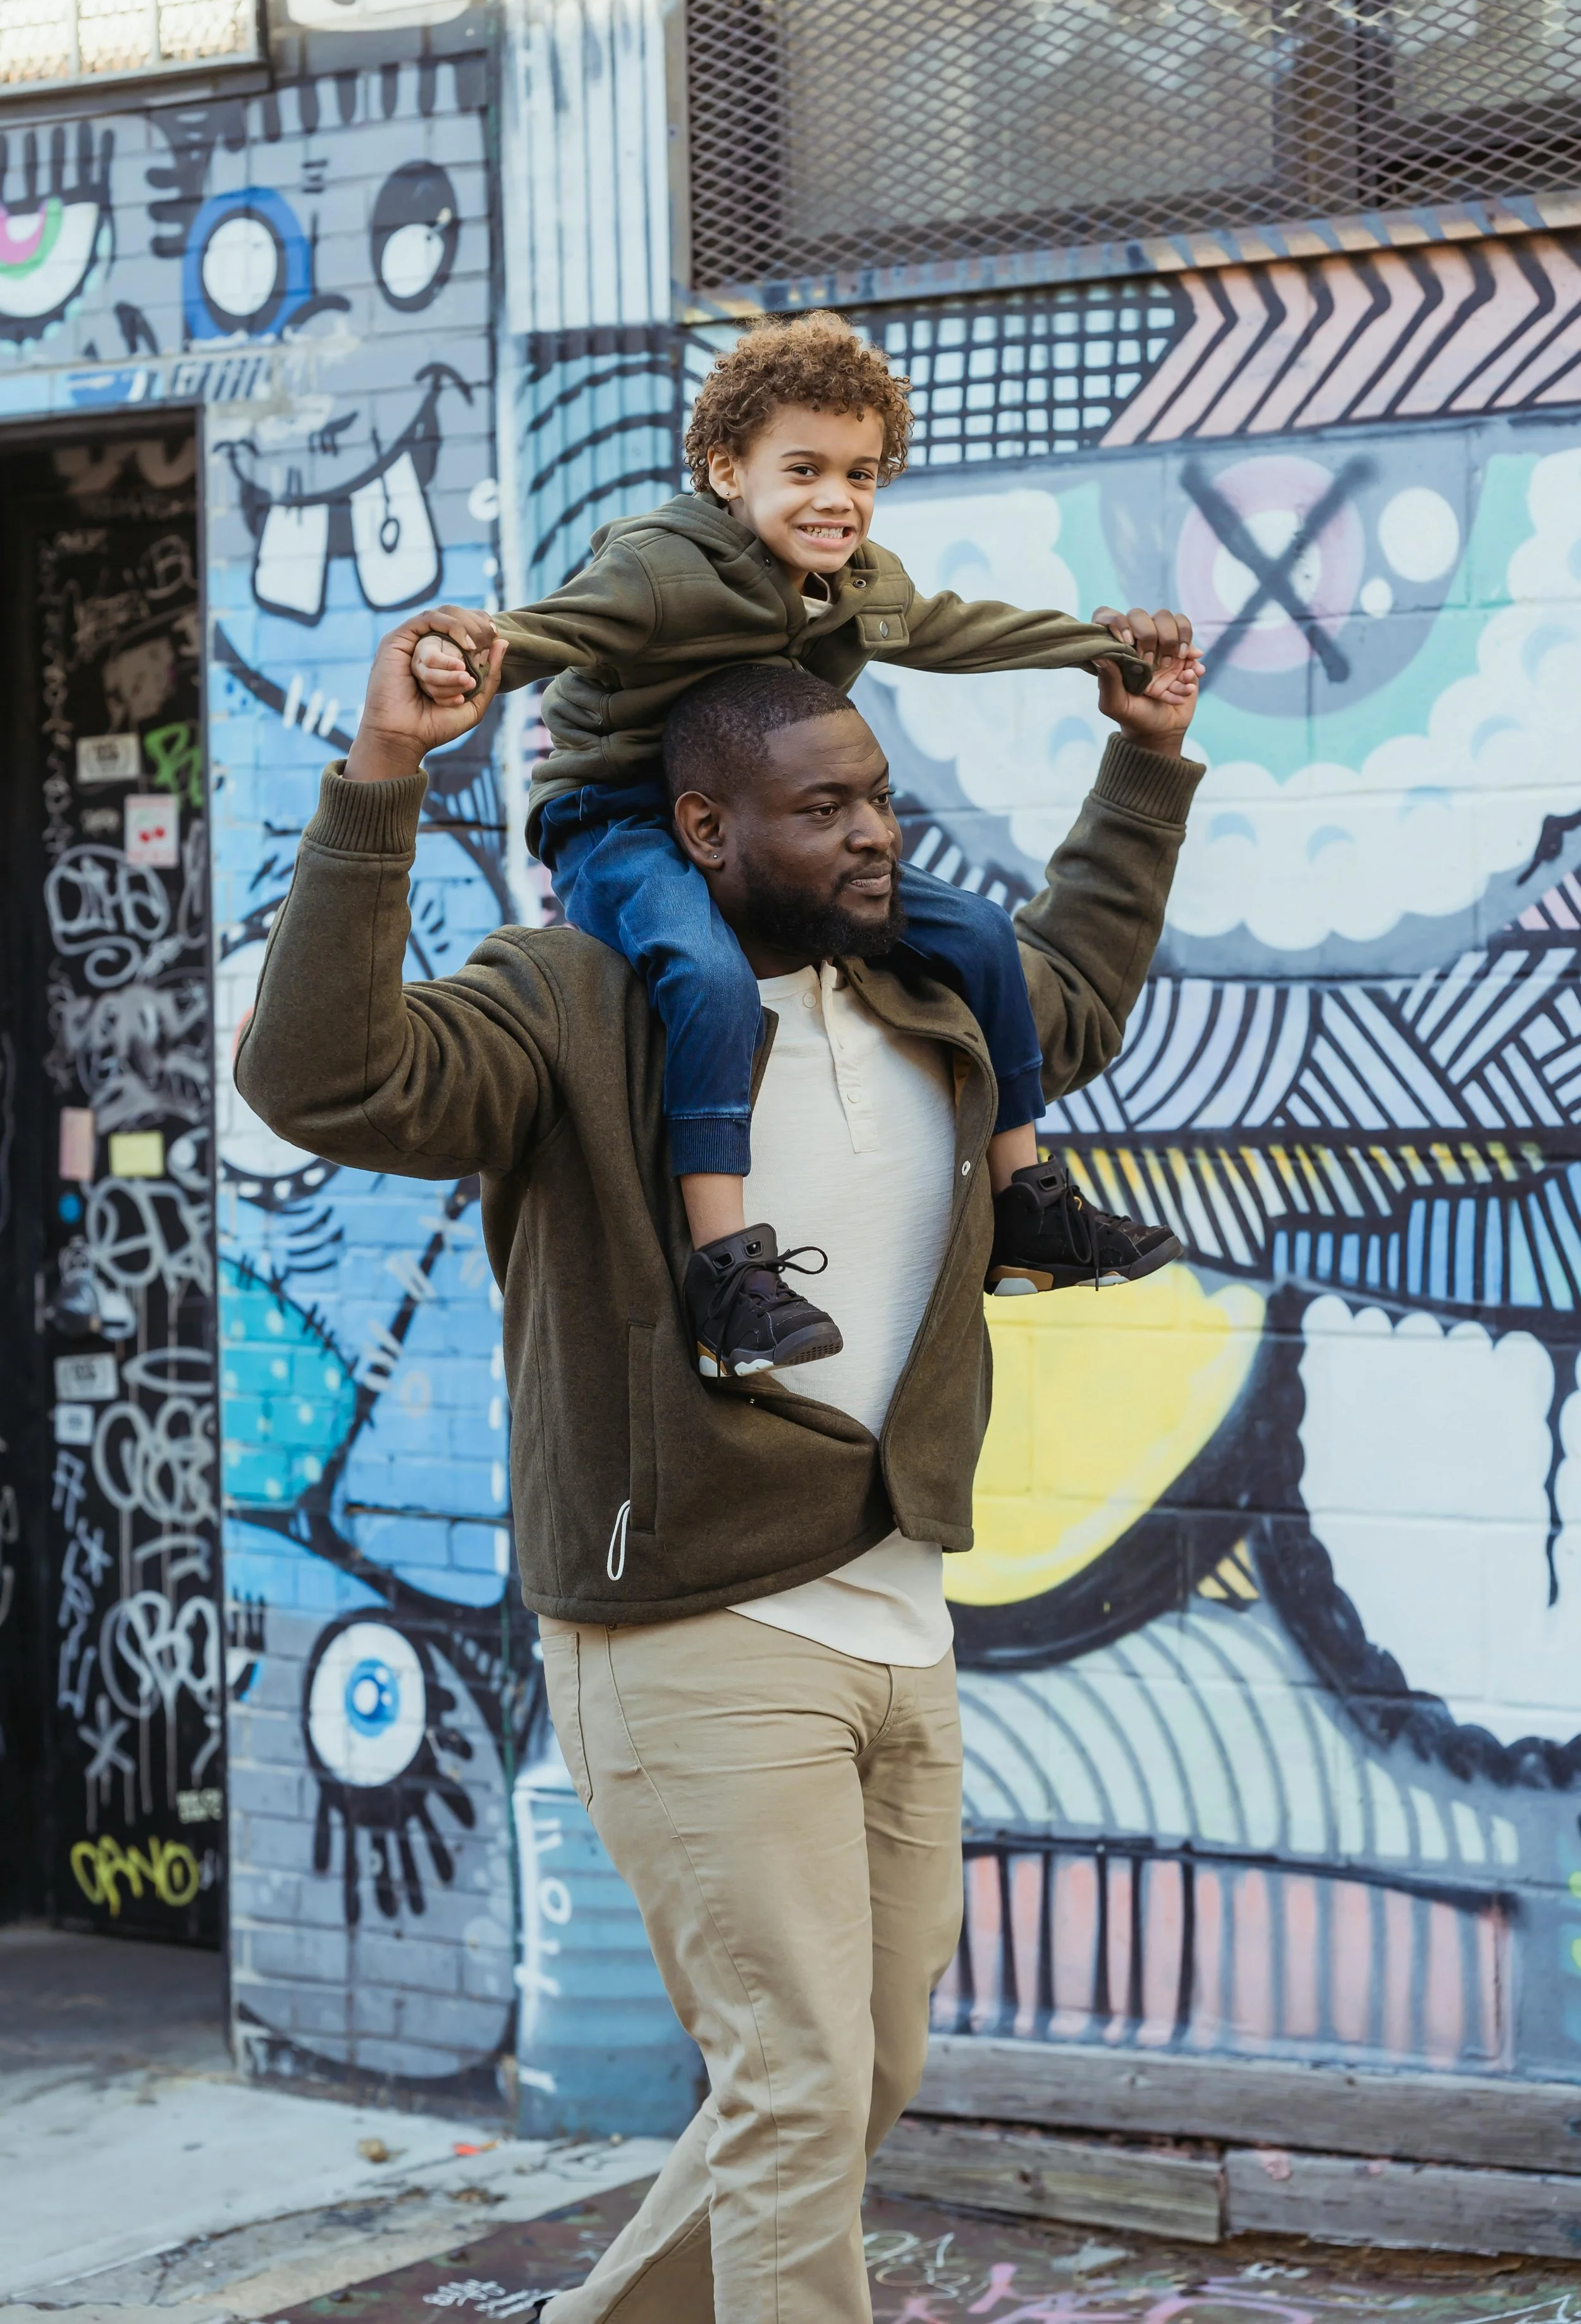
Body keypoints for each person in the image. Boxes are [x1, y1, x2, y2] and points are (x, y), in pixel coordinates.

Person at [236, 604, 1203, 2324]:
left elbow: (1087, 972)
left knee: (858, 2068)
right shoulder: (567, 1004)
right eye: (822, 806)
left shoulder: (924, 986)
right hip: (687, 1623)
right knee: (801, 2078)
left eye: (877, 797)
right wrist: (383, 772)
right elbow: (321, 1073)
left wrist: (1142, 752)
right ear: (704, 829)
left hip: (902, 1614)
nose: (871, 832)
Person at [407, 310, 1193, 1379]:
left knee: (975, 934)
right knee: (707, 977)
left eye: (862, 474)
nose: (839, 498)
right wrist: (472, 647)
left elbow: (962, 630)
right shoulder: (658, 566)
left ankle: (1029, 1208)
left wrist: (1104, 652)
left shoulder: (859, 581)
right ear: (727, 469)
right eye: (806, 469)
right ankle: (725, 1273)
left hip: (768, 832)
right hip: (622, 817)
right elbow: (561, 628)